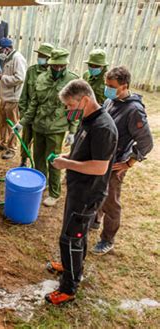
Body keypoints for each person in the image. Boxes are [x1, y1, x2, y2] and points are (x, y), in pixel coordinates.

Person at [45, 79, 118, 305]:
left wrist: (66, 165)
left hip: (89, 194)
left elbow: (99, 166)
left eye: (69, 105)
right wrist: (66, 156)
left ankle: (69, 287)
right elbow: (83, 153)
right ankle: (70, 266)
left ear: (84, 100)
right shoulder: (87, 119)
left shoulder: (103, 128)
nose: (68, 110)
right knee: (75, 234)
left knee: (70, 238)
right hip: (78, 189)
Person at [91, 66, 153, 254]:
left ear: (124, 86)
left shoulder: (134, 110)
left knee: (111, 201)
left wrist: (128, 162)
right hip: (102, 157)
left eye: (111, 86)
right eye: (106, 85)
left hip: (116, 162)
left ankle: (107, 239)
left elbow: (146, 143)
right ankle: (95, 219)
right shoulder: (112, 100)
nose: (107, 89)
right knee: (98, 190)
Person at [17, 48, 79, 207]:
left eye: (61, 66)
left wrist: (72, 131)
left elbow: (75, 109)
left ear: (65, 65)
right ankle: (41, 183)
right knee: (38, 159)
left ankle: (54, 192)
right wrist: (22, 122)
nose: (58, 69)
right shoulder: (41, 78)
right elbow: (34, 104)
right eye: (55, 66)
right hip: (39, 126)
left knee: (54, 161)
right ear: (50, 64)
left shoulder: (72, 81)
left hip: (56, 129)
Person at [18, 43, 54, 167]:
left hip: (43, 117)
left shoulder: (53, 74)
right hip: (28, 113)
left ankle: (38, 165)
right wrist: (23, 113)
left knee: (39, 143)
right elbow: (24, 95)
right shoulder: (31, 71)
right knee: (26, 139)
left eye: (43, 56)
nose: (40, 57)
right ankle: (23, 160)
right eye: (39, 55)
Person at [0, 38, 27, 160]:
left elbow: (20, 78)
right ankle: (3, 142)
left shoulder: (18, 58)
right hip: (4, 97)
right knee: (3, 123)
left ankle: (11, 148)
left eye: (0, 50)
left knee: (13, 125)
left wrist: (3, 77)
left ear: (7, 49)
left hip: (13, 98)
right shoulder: (8, 57)